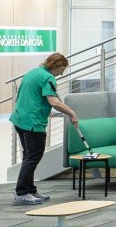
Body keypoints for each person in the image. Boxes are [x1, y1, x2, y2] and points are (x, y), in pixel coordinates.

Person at [9, 51, 82, 206]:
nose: (61, 74)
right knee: (33, 157)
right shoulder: (48, 78)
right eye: (61, 70)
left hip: (20, 119)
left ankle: (30, 190)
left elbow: (31, 96)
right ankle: (21, 193)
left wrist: (43, 109)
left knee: (28, 156)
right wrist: (72, 113)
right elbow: (54, 101)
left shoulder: (33, 73)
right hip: (32, 123)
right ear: (55, 66)